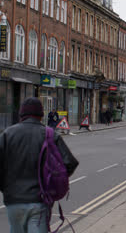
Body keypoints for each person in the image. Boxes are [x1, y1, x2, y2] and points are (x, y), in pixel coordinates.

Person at [0, 97, 79, 233]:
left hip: (13, 201)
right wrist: (54, 182)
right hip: (39, 200)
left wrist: (5, 189)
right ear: (41, 116)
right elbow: (70, 163)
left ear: (21, 115)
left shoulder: (7, 134)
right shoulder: (50, 134)